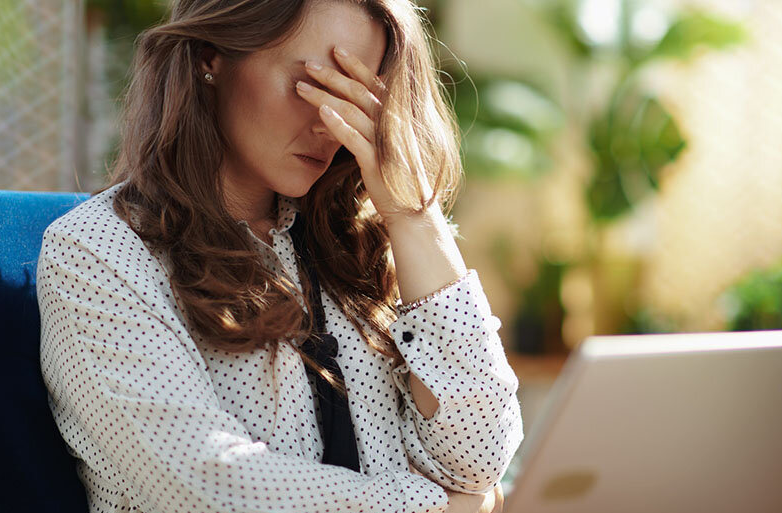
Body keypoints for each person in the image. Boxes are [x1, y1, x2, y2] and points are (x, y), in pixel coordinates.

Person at [36, 0, 523, 512]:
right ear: (210, 56)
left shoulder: (367, 245)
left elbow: (480, 459)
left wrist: (413, 215)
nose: (328, 124)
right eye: (310, 85)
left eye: (353, 99)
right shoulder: (99, 251)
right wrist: (437, 507)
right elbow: (206, 488)